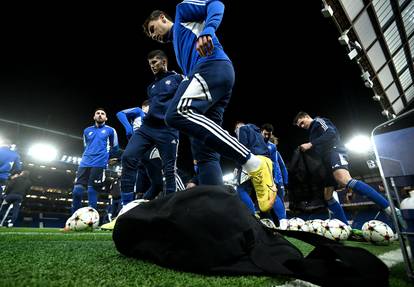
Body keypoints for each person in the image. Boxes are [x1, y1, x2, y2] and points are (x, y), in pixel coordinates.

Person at [143, 1, 276, 212]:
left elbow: (216, 4)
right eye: (150, 35)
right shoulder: (179, 45)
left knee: (177, 113)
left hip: (212, 66)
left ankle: (254, 163)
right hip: (207, 77)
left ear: (162, 18)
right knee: (205, 154)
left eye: (152, 29)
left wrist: (208, 30)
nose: (153, 35)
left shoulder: (181, 13)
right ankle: (220, 214)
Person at [293, 111, 405, 227]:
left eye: (302, 122)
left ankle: (391, 209)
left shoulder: (319, 121)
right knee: (327, 196)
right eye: (299, 126)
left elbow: (331, 133)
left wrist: (311, 144)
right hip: (326, 162)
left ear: (306, 117)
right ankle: (345, 227)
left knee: (344, 179)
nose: (302, 126)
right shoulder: (312, 132)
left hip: (335, 151)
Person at [120, 49, 183, 202]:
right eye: (150, 64)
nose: (152, 66)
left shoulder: (178, 78)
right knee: (128, 156)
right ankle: (126, 206)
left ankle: (169, 207)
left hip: (167, 130)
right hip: (147, 128)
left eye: (154, 62)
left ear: (164, 61)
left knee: (169, 171)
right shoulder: (151, 87)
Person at [71, 108, 119, 214]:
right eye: (98, 113)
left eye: (102, 114)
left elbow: (115, 147)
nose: (100, 115)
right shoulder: (87, 130)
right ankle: (73, 219)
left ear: (106, 118)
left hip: (99, 164)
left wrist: (107, 158)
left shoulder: (110, 130)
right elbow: (85, 145)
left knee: (92, 190)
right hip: (84, 163)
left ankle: (92, 220)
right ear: (94, 117)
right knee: (76, 192)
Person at [261, 123, 288, 222]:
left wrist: (285, 181)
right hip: (267, 180)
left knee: (278, 201)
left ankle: (283, 222)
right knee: (269, 203)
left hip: (277, 180)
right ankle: (276, 223)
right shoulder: (258, 149)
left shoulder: (275, 152)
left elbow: (283, 167)